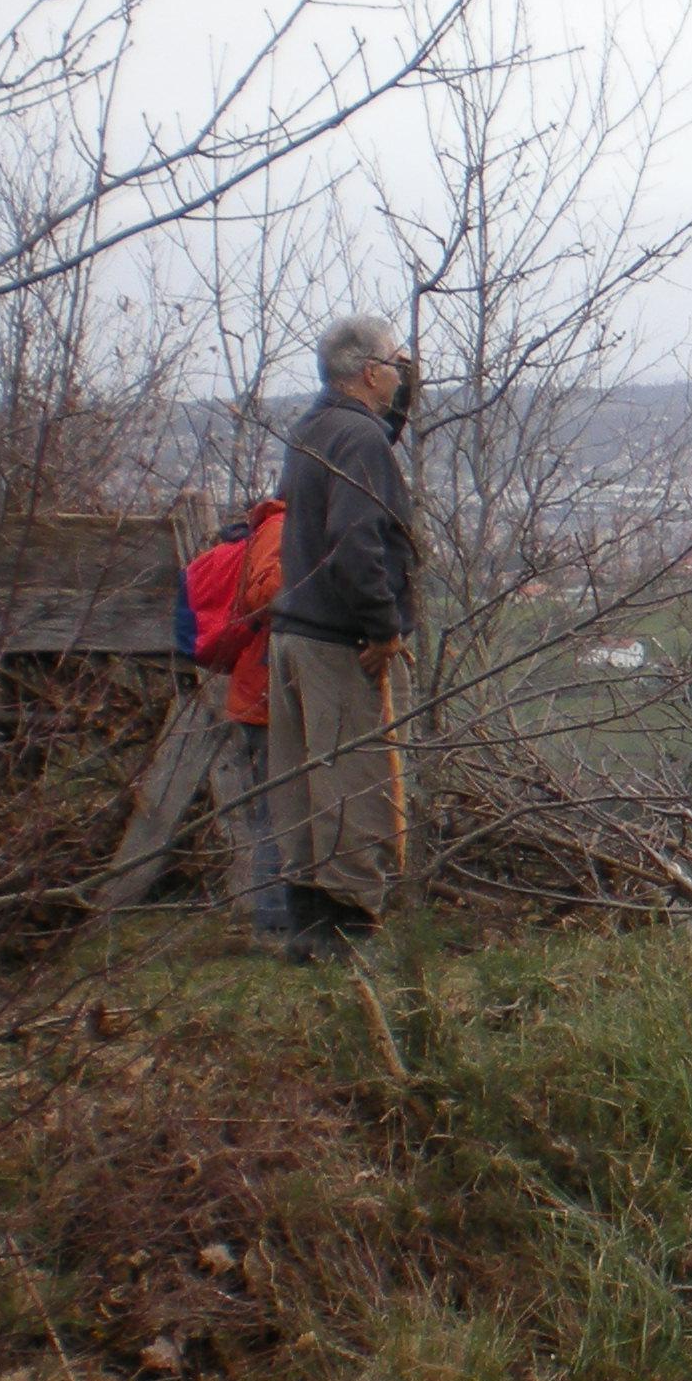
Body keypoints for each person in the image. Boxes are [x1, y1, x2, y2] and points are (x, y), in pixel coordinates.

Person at [264, 314, 419, 964]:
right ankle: (351, 939)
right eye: (395, 365)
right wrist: (383, 628)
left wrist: (398, 404)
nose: (402, 374)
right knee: (359, 786)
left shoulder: (313, 428)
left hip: (294, 633)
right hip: (342, 641)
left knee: (303, 788)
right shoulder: (358, 438)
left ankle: (309, 934)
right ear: (370, 371)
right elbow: (357, 543)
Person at [182, 496, 290, 937]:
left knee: (274, 809)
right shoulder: (282, 528)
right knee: (278, 812)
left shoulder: (277, 526)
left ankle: (275, 915)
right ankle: (273, 921)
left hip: (261, 691)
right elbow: (266, 594)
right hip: (265, 695)